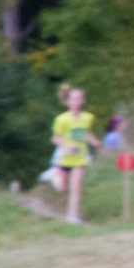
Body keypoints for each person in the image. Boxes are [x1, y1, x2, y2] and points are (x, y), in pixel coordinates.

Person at [50, 84, 97, 224]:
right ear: (68, 101)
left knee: (76, 187)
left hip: (80, 157)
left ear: (83, 101)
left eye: (79, 98)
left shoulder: (87, 117)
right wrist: (66, 146)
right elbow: (55, 138)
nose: (77, 101)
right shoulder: (61, 119)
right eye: (74, 98)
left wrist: (94, 141)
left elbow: (87, 133)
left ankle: (72, 217)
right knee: (62, 188)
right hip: (64, 158)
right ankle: (54, 176)